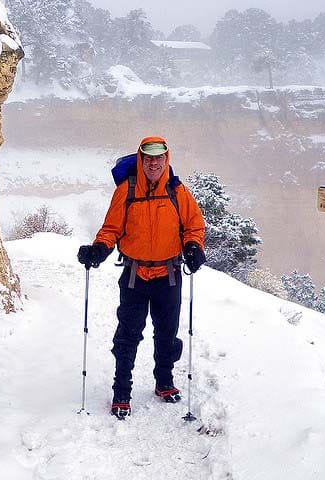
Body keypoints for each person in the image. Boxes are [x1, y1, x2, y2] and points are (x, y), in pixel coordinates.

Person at [77, 136, 206, 419]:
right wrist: (99, 249)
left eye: (159, 158)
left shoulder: (177, 190)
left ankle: (164, 381)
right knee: (128, 335)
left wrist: (194, 246)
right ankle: (121, 390)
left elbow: (194, 225)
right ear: (141, 159)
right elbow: (111, 228)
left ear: (166, 159)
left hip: (168, 274)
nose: (154, 163)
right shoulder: (127, 190)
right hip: (135, 276)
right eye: (148, 158)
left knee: (167, 334)